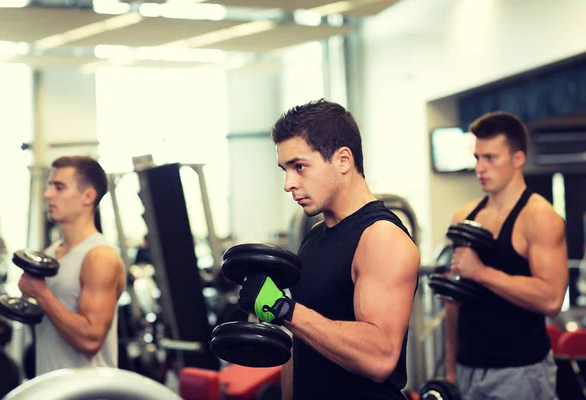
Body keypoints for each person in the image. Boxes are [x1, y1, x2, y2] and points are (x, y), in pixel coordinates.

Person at [238, 99, 420, 399]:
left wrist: (284, 309)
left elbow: (380, 357)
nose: (288, 183)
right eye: (285, 169)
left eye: (299, 167)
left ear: (343, 160)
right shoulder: (315, 237)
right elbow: (299, 341)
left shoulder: (381, 238)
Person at [444, 111, 568, 399]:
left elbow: (551, 299)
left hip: (520, 371)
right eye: (477, 158)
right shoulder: (464, 215)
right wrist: (451, 367)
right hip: (468, 368)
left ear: (517, 159)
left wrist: (481, 273)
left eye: (491, 158)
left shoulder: (540, 217)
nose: (480, 168)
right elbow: (455, 304)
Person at [18, 155, 126, 376]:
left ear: (88, 196)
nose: (47, 194)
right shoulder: (50, 254)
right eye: (50, 186)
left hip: (87, 394)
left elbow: (90, 340)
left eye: (59, 187)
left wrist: (41, 294)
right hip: (51, 390)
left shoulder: (99, 256)